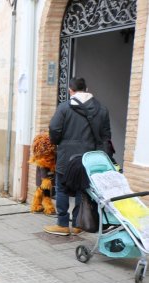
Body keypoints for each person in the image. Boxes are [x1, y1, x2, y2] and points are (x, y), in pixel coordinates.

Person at [44, 77, 112, 236]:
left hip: (66, 156)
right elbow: (106, 135)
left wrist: (58, 142)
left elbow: (54, 129)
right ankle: (77, 224)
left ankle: (62, 224)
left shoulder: (64, 108)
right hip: (89, 157)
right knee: (83, 189)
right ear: (86, 89)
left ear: (70, 90)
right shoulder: (101, 109)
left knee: (61, 188)